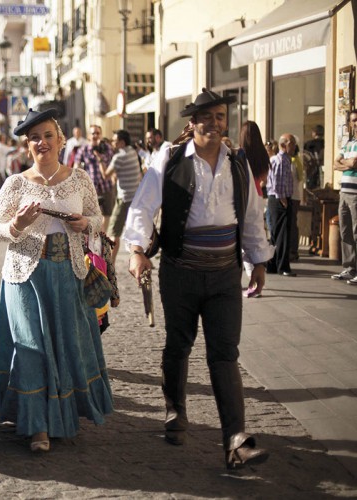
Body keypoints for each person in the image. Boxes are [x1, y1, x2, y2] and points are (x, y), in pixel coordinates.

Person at [123, 88, 273, 470]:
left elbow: (252, 216)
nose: (213, 123)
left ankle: (236, 439)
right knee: (178, 345)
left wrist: (258, 260)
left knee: (225, 354)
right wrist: (138, 251)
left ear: (227, 122)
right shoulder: (170, 159)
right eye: (205, 117)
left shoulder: (238, 163)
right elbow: (142, 206)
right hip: (180, 272)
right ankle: (175, 410)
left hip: (224, 276)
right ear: (192, 124)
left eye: (220, 117)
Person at [0, 108, 113, 453]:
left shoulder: (79, 179)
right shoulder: (16, 184)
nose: (42, 143)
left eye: (48, 135)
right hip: (25, 276)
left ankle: (62, 418)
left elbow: (98, 219)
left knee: (66, 347)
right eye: (35, 137)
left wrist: (85, 224)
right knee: (31, 350)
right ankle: (36, 425)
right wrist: (18, 224)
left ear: (60, 139)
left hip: (68, 273)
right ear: (26, 146)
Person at [238, 121, 271, 285]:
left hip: (244, 196)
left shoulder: (240, 155)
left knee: (243, 237)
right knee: (255, 231)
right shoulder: (263, 154)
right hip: (258, 195)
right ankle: (255, 276)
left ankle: (251, 274)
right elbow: (264, 178)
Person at [104, 129, 142, 264]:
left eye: (114, 141)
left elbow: (106, 175)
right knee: (134, 232)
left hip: (124, 199)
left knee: (113, 233)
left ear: (121, 142)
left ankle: (111, 264)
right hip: (135, 197)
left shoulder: (118, 157)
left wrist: (100, 159)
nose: (112, 143)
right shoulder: (132, 151)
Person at [332, 110, 357, 284]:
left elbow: (355, 162)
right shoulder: (349, 142)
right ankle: (350, 268)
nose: (355, 123)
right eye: (353, 121)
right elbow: (335, 163)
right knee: (345, 231)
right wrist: (347, 164)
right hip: (344, 192)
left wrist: (345, 163)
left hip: (356, 193)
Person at [74, 124, 115, 232]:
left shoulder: (107, 148)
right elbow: (76, 168)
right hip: (91, 189)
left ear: (101, 135)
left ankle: (103, 235)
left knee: (107, 214)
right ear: (88, 136)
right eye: (93, 133)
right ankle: (96, 236)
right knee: (92, 214)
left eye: (98, 133)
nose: (95, 135)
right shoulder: (83, 150)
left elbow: (113, 164)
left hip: (106, 187)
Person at [266, 135, 295, 276]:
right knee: (282, 234)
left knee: (276, 233)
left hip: (277, 198)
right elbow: (277, 181)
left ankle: (272, 265)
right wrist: (283, 199)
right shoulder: (280, 160)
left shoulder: (285, 159)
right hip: (279, 199)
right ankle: (282, 267)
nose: (294, 146)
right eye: (292, 143)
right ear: (284, 145)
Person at [287, 137, 304, 262]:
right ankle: (292, 250)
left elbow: (297, 177)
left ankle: (293, 250)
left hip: (293, 196)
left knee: (292, 224)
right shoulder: (295, 160)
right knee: (291, 224)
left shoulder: (294, 160)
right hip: (294, 196)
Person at [304, 124, 324, 189]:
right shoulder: (325, 143)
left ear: (314, 133)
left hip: (311, 170)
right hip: (323, 169)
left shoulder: (308, 144)